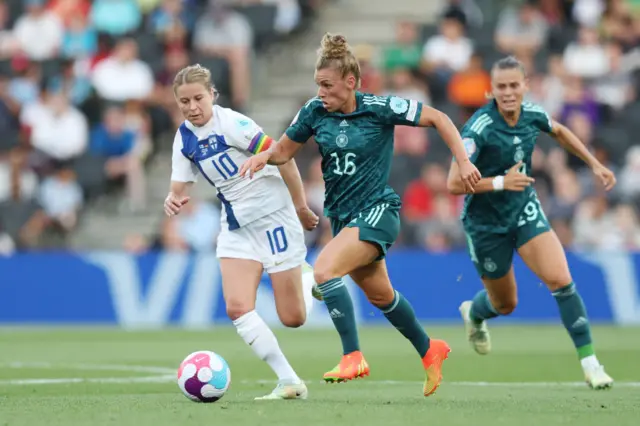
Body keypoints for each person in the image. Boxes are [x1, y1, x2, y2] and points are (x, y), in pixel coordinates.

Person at [240, 33, 481, 397]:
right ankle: (430, 350)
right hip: (343, 219)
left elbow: (440, 118)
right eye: (317, 84)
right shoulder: (313, 111)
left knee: (323, 270)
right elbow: (284, 151)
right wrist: (264, 156)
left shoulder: (379, 107)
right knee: (382, 296)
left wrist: (462, 161)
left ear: (350, 82)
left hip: (379, 210)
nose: (320, 92)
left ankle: (353, 355)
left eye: (327, 85)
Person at [448, 56, 616, 390]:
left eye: (514, 85)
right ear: (490, 91)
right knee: (505, 304)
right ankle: (475, 312)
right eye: (501, 87)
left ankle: (591, 363)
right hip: (486, 225)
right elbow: (454, 182)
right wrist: (499, 183)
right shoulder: (479, 128)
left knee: (562, 281)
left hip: (524, 211)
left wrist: (594, 164)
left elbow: (560, 130)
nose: (508, 93)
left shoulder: (532, 114)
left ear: (525, 86)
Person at [164, 64, 321, 401]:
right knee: (237, 307)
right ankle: (289, 380)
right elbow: (179, 185)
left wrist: (300, 206)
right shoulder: (184, 137)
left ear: (212, 95)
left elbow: (284, 156)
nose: (192, 107)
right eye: (184, 102)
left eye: (198, 98)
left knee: (293, 318)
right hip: (235, 224)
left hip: (273, 215)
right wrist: (173, 198)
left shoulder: (232, 123)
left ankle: (312, 277)